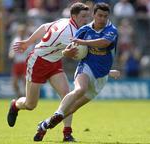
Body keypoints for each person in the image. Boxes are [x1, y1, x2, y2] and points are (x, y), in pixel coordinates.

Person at [33, 3, 119, 141]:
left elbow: (103, 43)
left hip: (101, 76)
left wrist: (108, 71)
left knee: (72, 109)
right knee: (80, 89)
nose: (102, 19)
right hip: (85, 67)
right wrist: (67, 52)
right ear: (94, 15)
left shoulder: (111, 30)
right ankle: (58, 115)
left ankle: (44, 124)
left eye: (105, 16)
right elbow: (69, 50)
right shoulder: (84, 30)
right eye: (99, 15)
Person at [7, 2, 90, 142]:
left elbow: (45, 27)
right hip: (38, 62)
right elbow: (71, 52)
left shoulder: (65, 21)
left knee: (66, 95)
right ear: (74, 16)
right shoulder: (70, 33)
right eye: (83, 16)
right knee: (30, 104)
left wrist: (28, 41)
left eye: (87, 16)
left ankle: (67, 133)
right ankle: (15, 105)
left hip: (54, 61)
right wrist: (69, 53)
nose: (86, 19)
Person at [8, 24, 28, 99]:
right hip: (17, 63)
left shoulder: (27, 40)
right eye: (20, 31)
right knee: (14, 82)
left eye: (23, 31)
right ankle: (19, 95)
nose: (21, 32)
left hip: (25, 62)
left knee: (25, 81)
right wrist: (11, 54)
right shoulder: (15, 40)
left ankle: (26, 96)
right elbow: (11, 50)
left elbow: (30, 51)